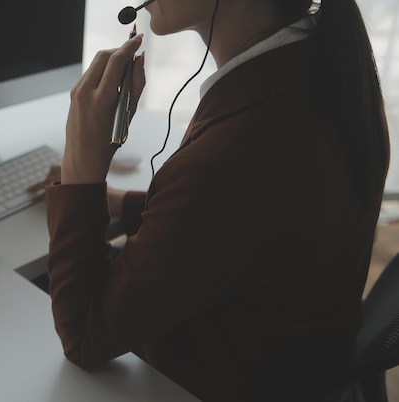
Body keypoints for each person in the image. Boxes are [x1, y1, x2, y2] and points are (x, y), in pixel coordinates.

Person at [29, 0, 390, 400]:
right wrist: (121, 204)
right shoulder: (321, 66)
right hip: (295, 368)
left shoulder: (238, 151)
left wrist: (82, 162)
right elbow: (238, 229)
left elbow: (83, 335)